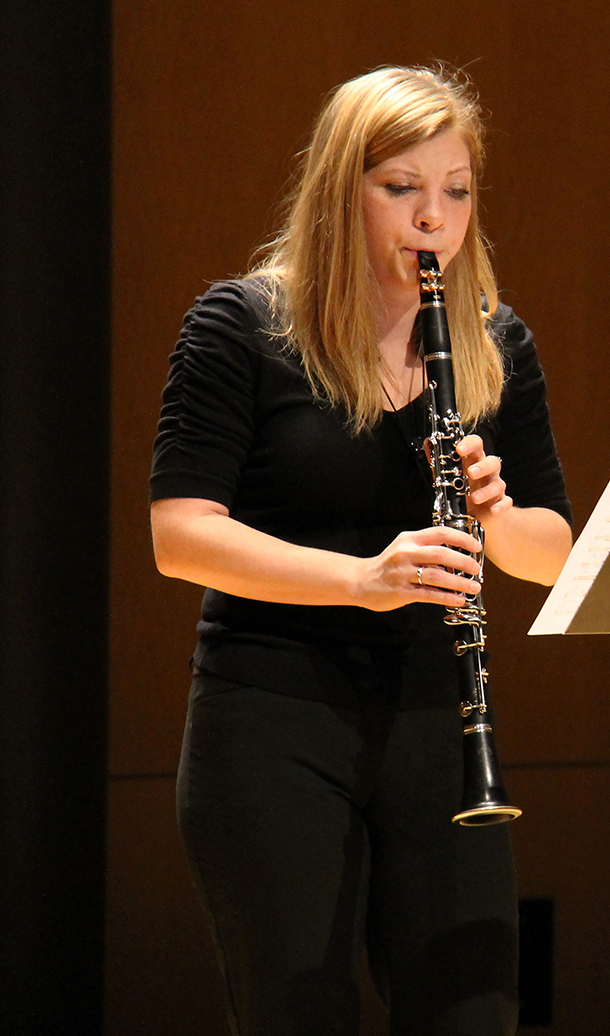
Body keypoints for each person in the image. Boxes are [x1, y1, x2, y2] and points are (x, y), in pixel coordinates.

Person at [149, 65, 573, 1036]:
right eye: (402, 189)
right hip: (271, 720)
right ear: (344, 190)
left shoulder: (490, 340)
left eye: (456, 191)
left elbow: (553, 551)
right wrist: (359, 579)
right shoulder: (244, 327)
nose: (435, 218)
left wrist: (495, 515)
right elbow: (180, 535)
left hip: (437, 721)